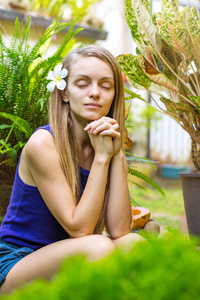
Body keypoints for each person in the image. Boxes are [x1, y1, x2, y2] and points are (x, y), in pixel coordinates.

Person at [0, 45, 145, 294]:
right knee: (98, 247)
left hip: (73, 253)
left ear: (114, 96)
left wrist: (117, 154)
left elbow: (121, 230)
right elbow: (80, 229)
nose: (95, 93)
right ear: (65, 92)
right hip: (18, 263)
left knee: (135, 244)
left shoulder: (108, 148)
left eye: (105, 85)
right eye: (82, 83)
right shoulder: (43, 144)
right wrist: (102, 158)